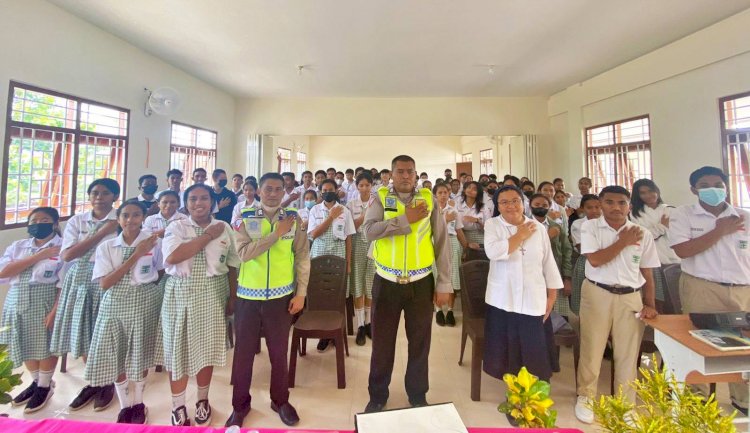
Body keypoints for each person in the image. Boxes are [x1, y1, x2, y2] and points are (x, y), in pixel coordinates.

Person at [362, 155, 452, 413]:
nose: (405, 176)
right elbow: (368, 231)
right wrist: (405, 220)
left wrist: (444, 283)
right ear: (391, 175)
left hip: (421, 282)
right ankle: (378, 395)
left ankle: (417, 394)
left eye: (409, 172)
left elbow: (442, 243)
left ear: (415, 175)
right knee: (382, 343)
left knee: (420, 343)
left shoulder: (429, 199)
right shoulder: (380, 197)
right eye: (399, 171)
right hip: (387, 282)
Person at [226, 172, 309, 427]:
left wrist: (301, 293)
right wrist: (275, 235)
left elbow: (303, 257)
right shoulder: (244, 218)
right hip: (248, 297)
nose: (273, 193)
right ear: (258, 191)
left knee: (278, 351)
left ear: (285, 192)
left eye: (278, 189)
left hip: (281, 297)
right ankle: (240, 406)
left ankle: (280, 400)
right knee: (243, 354)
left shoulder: (293, 220)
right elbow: (244, 254)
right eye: (268, 189)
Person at [668, 166, 750, 415]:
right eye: (705, 185)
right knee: (698, 343)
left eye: (718, 184)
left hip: (742, 290)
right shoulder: (683, 215)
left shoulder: (744, 216)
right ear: (694, 190)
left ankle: (743, 400)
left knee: (742, 347)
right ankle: (697, 403)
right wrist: (719, 230)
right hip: (701, 287)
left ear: (726, 186)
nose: (713, 189)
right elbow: (682, 250)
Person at [574, 185, 660, 424]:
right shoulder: (589, 227)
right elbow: (596, 259)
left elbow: (647, 271)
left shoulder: (642, 233)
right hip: (597, 293)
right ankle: (586, 396)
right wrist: (623, 241)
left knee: (627, 352)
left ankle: (625, 402)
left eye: (621, 203)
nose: (616, 207)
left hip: (631, 297)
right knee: (592, 347)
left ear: (629, 206)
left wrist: (650, 302)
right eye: (609, 202)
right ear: (600, 205)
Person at [161, 184, 240, 426]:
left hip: (214, 291)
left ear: (212, 202)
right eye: (193, 198)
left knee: (206, 351)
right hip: (180, 293)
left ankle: (202, 401)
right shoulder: (177, 226)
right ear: (186, 203)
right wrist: (207, 236)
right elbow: (173, 256)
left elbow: (234, 263)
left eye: (204, 198)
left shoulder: (224, 228)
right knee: (179, 352)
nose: (199, 203)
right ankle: (178, 406)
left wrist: (233, 296)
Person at [86, 200, 163, 424]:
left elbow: (159, 271)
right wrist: (136, 254)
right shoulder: (107, 247)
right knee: (116, 352)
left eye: (136, 215)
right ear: (118, 219)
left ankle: (138, 403)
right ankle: (124, 404)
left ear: (143, 217)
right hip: (115, 303)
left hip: (146, 300)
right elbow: (105, 283)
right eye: (126, 215)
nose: (131, 220)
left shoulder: (153, 243)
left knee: (141, 351)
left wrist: (145, 284)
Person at [483, 186, 563, 398]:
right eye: (505, 202)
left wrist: (552, 295)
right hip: (503, 300)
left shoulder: (538, 228)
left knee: (534, 351)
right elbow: (493, 252)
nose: (511, 206)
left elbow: (548, 263)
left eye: (515, 200)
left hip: (533, 300)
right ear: (498, 206)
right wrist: (519, 235)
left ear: (523, 202)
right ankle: (515, 399)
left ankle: (534, 400)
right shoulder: (493, 225)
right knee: (510, 353)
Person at [51, 178, 120, 412]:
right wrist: (102, 233)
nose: (99, 197)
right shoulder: (78, 221)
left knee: (106, 332)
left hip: (109, 279)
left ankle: (108, 381)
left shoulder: (122, 219)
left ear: (114, 197)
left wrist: (110, 229)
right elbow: (69, 255)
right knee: (84, 331)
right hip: (80, 280)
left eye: (105, 193)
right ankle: (93, 381)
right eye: (94, 193)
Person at [1, 207, 63, 413]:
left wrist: (55, 310)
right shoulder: (19, 246)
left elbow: (62, 283)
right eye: (34, 220)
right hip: (17, 297)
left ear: (54, 224)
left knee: (44, 342)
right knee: (23, 340)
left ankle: (45, 385)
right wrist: (39, 256)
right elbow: (4, 272)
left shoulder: (62, 247)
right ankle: (36, 382)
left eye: (44, 219)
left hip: (44, 298)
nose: (38, 223)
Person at [308, 179, 356, 352]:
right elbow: (313, 234)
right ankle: (324, 335)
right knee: (321, 295)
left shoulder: (345, 210)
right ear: (321, 192)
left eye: (331, 189)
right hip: (319, 256)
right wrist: (330, 217)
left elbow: (349, 237)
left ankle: (337, 331)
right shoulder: (314, 209)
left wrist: (348, 263)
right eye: (324, 190)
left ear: (336, 191)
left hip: (339, 255)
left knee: (337, 296)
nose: (328, 192)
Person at [529, 193, 573, 372]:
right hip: (532, 280)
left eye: (544, 204)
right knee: (534, 320)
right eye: (537, 203)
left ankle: (551, 359)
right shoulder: (524, 226)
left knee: (553, 320)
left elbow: (567, 252)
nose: (541, 206)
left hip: (553, 278)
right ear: (530, 205)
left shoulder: (557, 226)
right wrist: (547, 236)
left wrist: (567, 277)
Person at [630, 179, 681, 308]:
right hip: (652, 261)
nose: (648, 195)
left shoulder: (670, 209)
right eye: (643, 193)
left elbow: (680, 234)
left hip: (675, 259)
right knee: (657, 299)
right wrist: (661, 227)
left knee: (676, 298)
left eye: (651, 191)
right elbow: (642, 237)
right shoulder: (635, 214)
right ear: (638, 195)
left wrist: (654, 231)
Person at [347, 173, 377, 345]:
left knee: (370, 284)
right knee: (358, 284)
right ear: (357, 187)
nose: (364, 188)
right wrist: (363, 217)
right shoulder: (351, 204)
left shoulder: (377, 203)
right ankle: (359, 325)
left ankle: (368, 322)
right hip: (358, 243)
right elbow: (350, 228)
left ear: (371, 185)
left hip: (373, 244)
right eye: (361, 185)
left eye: (367, 185)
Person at [433, 183, 467, 327]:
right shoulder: (430, 211)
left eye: (445, 192)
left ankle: (451, 310)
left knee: (452, 278)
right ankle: (438, 309)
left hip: (452, 242)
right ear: (435, 195)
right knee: (435, 276)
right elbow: (429, 229)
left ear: (449, 194)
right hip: (434, 243)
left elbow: (459, 231)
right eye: (440, 192)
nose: (443, 195)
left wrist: (466, 246)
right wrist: (445, 220)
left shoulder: (454, 210)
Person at [458, 181, 491, 249]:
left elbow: (489, 229)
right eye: (469, 187)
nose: (470, 190)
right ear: (465, 190)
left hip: (480, 237)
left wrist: (477, 221)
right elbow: (456, 227)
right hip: (462, 237)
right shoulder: (458, 206)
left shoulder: (484, 207)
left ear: (478, 193)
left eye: (474, 189)